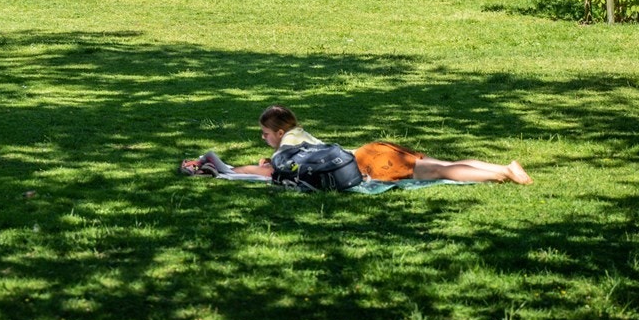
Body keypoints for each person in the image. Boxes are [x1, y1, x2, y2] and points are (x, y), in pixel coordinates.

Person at [181, 105, 533, 185]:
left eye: (264, 134)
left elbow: (268, 170)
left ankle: (504, 173)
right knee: (440, 163)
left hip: (370, 165)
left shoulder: (286, 148)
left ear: (277, 131)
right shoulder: (298, 137)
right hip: (373, 150)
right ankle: (502, 167)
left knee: (439, 171)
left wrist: (225, 169)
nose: (263, 139)